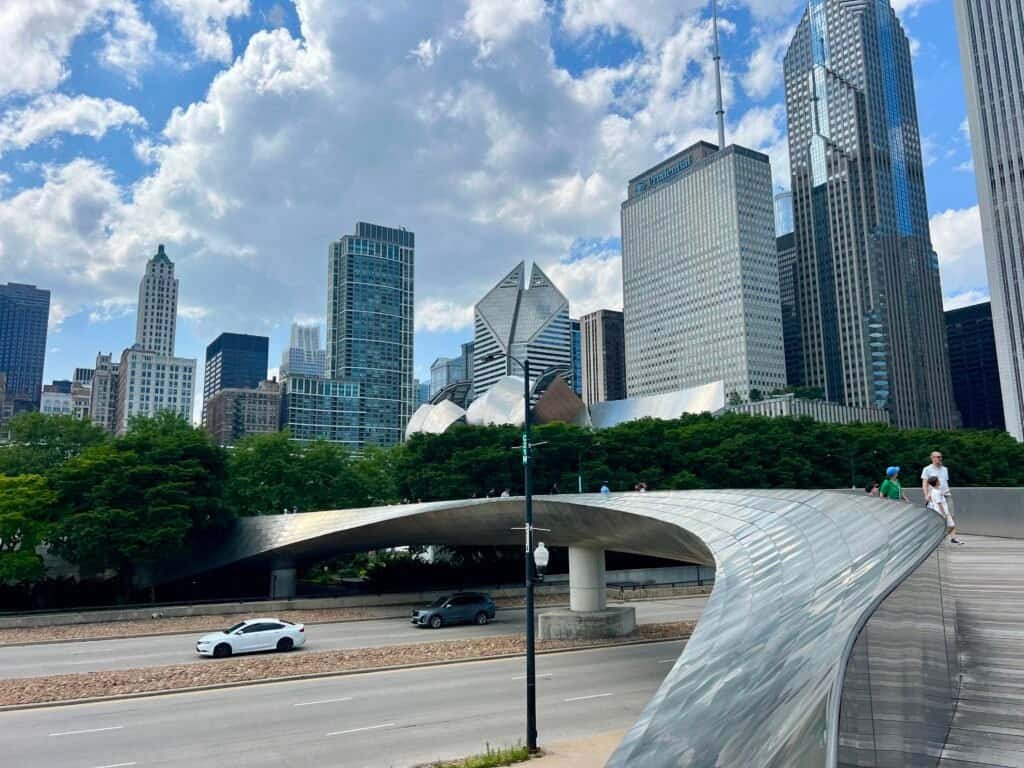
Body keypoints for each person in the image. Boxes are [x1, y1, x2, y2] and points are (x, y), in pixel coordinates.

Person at [927, 475, 963, 545]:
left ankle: (944, 538)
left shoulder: (935, 490)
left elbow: (932, 498)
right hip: (942, 512)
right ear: (936, 482)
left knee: (950, 526)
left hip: (943, 511)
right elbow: (939, 503)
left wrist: (944, 493)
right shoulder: (936, 492)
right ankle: (939, 538)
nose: (939, 481)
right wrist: (944, 513)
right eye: (938, 480)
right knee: (949, 526)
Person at [921, 451, 951, 515]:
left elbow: (945, 482)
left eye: (940, 457)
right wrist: (926, 495)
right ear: (932, 458)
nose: (940, 458)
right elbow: (924, 483)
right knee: (937, 515)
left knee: (951, 515)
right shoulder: (927, 469)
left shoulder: (945, 469)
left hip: (946, 494)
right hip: (934, 496)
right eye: (938, 457)